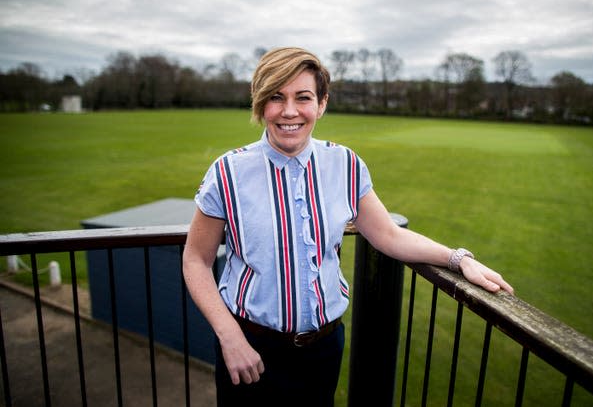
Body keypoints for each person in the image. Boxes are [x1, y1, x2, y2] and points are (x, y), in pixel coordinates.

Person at [182, 46, 514, 407]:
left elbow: (388, 234)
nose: (289, 111)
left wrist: (458, 259)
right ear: (259, 103)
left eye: (303, 97)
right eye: (276, 97)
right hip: (248, 349)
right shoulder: (227, 172)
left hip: (323, 350)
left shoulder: (346, 164)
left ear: (321, 103)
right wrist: (229, 336)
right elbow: (196, 260)